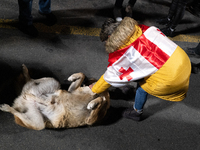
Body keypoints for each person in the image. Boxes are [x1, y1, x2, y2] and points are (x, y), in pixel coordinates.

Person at [89, 17, 191, 121]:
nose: (106, 44)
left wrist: (94, 89)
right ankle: (133, 93)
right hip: (182, 62)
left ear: (110, 37)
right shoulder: (143, 29)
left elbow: (112, 75)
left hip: (171, 78)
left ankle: (136, 112)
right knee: (141, 69)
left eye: (106, 41)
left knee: (143, 86)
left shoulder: (127, 52)